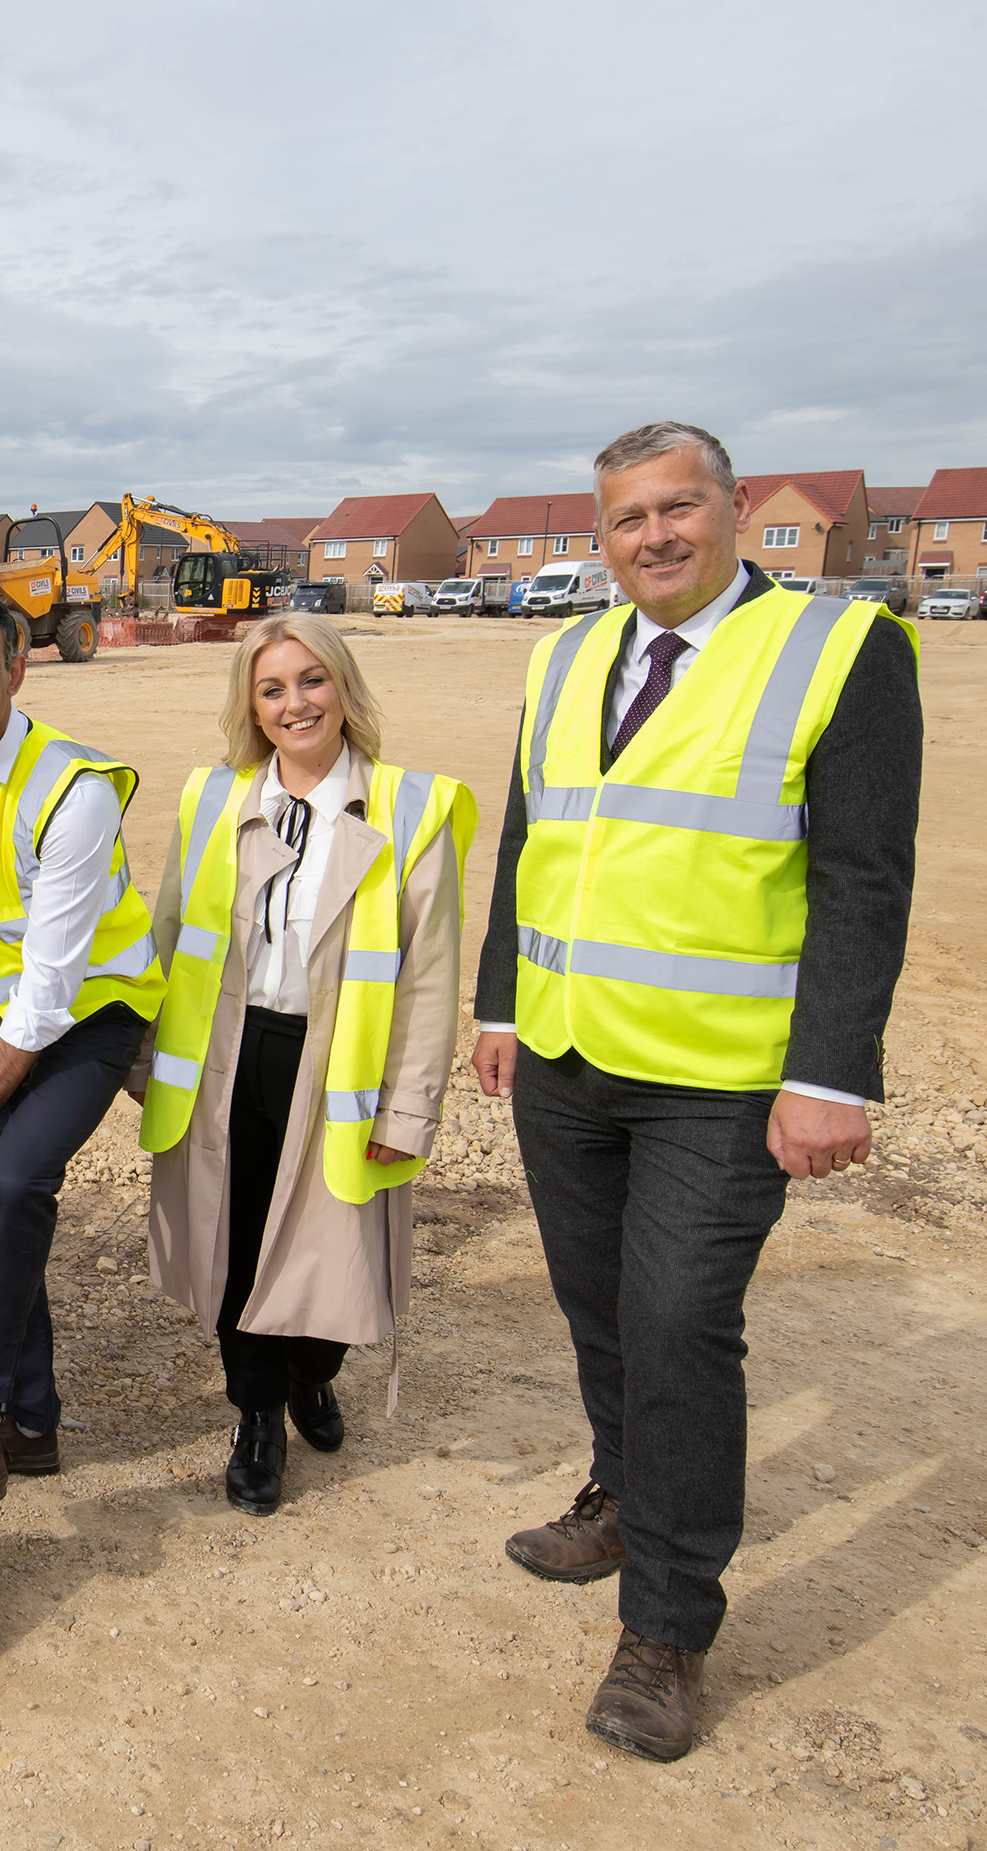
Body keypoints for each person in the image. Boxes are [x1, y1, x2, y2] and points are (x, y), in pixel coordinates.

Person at [473, 421, 921, 1761]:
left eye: (679, 508)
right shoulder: (562, 654)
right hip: (561, 1048)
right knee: (597, 1303)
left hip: (719, 1077)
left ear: (729, 512)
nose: (654, 536)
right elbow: (529, 833)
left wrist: (830, 1073)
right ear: (598, 536)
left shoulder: (840, 649)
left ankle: (666, 1627)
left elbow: (860, 876)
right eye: (626, 518)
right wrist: (500, 999)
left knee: (674, 1320)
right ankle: (621, 1488)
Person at [131, 614, 474, 1516]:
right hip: (231, 1062)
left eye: (312, 681)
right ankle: (257, 1413)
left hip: (339, 1073)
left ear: (345, 688)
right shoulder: (215, 797)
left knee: (334, 1256)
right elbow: (169, 932)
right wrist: (142, 1057)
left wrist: (409, 1113)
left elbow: (429, 977)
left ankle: (316, 1372)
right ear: (251, 703)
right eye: (272, 687)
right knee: (239, 1247)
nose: (295, 704)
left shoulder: (410, 807)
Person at [0, 587, 165, 1500]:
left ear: (18, 667)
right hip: (2, 1015)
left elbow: (53, 991)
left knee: (6, 1179)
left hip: (92, 1017)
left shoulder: (73, 792)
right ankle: (36, 1419)